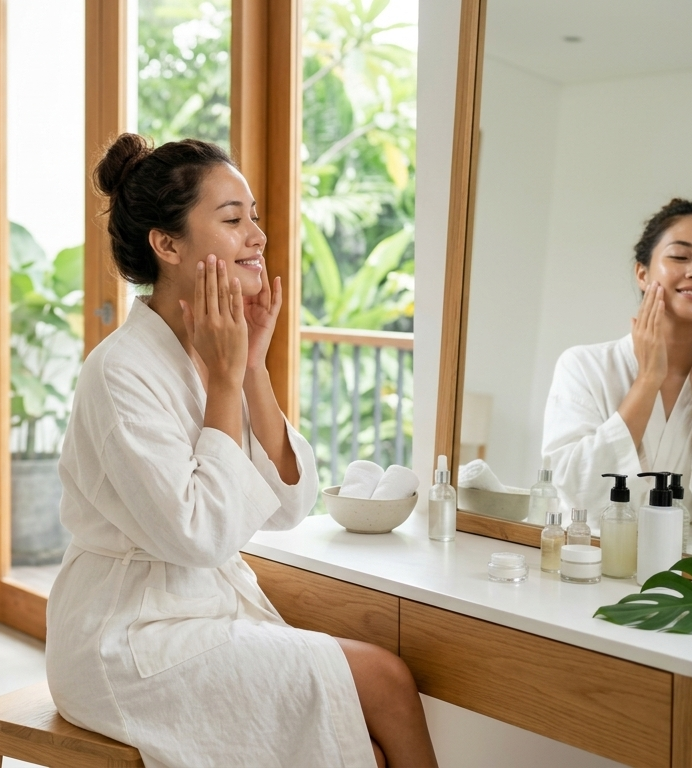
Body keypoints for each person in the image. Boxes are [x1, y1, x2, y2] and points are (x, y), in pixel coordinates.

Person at [45, 133, 437, 768]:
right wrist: (227, 381)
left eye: (254, 216)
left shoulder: (219, 349)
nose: (258, 236)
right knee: (385, 681)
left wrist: (252, 365)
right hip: (126, 639)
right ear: (168, 245)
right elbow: (200, 535)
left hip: (203, 615)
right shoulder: (120, 371)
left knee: (363, 747)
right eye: (232, 220)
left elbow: (289, 505)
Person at [542, 198, 692, 536]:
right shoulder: (585, 367)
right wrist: (647, 379)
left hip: (689, 571)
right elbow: (574, 490)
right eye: (680, 256)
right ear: (642, 273)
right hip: (585, 561)